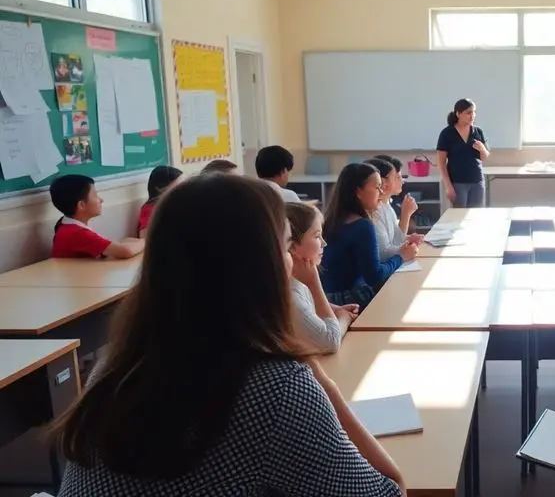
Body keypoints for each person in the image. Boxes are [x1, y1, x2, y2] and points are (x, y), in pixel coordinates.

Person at [52, 174, 406, 496]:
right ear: (257, 264)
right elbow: (391, 491)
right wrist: (325, 387)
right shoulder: (276, 389)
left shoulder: (113, 371)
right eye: (284, 246)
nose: (290, 260)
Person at [321, 163, 418, 308]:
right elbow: (375, 276)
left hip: (328, 299)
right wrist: (401, 257)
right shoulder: (362, 226)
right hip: (351, 300)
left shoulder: (330, 219)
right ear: (358, 192)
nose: (381, 192)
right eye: (376, 187)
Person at [286, 202, 359, 352]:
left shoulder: (296, 282)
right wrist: (343, 317)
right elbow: (330, 341)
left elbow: (308, 305)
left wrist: (335, 309)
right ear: (292, 246)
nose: (324, 243)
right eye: (317, 236)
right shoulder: (289, 293)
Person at [50, 174, 144, 259]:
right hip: (79, 277)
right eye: (95, 195)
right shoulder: (76, 233)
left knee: (128, 240)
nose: (101, 200)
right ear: (81, 205)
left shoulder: (67, 225)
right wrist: (147, 242)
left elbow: (117, 246)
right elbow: (126, 251)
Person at [364, 158, 423, 258]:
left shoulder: (387, 206)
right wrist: (406, 214)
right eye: (397, 177)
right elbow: (383, 253)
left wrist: (408, 240)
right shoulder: (374, 211)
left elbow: (394, 241)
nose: (402, 181)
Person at [436, 98, 489, 208]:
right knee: (459, 217)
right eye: (468, 113)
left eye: (474, 112)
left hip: (477, 181)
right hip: (457, 183)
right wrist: (448, 186)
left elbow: (484, 158)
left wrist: (483, 149)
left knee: (475, 216)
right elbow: (441, 163)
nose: (472, 116)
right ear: (458, 114)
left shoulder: (478, 132)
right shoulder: (447, 133)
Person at [138, 165, 183, 238]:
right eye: (176, 185)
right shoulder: (150, 209)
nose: (180, 188)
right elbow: (144, 239)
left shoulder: (173, 204)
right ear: (159, 188)